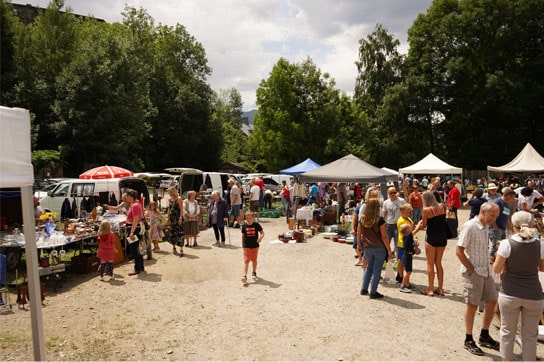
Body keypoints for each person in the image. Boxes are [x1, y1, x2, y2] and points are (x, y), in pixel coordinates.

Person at [493, 211, 544, 361]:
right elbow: (542, 268)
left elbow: (496, 269)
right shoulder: (540, 245)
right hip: (533, 294)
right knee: (530, 334)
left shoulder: (506, 244)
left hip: (510, 292)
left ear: (513, 225)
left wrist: (505, 267)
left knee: (507, 331)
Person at [455, 202, 500, 356]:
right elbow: (459, 250)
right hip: (474, 271)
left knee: (492, 300)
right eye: (492, 215)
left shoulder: (485, 226)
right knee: (472, 305)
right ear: (483, 211)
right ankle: (468, 339)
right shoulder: (470, 226)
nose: (494, 219)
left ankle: (484, 334)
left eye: (496, 216)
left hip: (485, 270)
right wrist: (471, 269)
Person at [413, 190, 448, 297]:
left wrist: (417, 226)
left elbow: (424, 225)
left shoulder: (426, 210)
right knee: (439, 263)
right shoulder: (442, 206)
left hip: (432, 237)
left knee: (430, 263)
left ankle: (431, 289)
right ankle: (440, 289)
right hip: (442, 237)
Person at [357, 199, 392, 299]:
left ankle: (364, 288)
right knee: (377, 269)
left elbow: (359, 233)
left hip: (367, 246)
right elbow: (384, 236)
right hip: (379, 247)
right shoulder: (380, 220)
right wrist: (389, 249)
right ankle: (373, 291)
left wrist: (359, 245)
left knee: (369, 268)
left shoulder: (363, 219)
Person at [120, 189, 145, 276]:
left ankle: (137, 268)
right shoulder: (135, 204)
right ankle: (140, 266)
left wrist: (132, 232)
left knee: (134, 249)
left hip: (134, 228)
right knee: (138, 248)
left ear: (130, 196)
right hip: (135, 227)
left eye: (126, 197)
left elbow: (135, 219)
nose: (125, 199)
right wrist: (124, 222)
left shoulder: (135, 205)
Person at [489, 187, 517, 261]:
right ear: (508, 196)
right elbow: (491, 215)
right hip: (496, 228)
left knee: (502, 247)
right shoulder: (497, 202)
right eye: (513, 197)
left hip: (502, 228)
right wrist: (495, 227)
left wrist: (512, 228)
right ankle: (493, 261)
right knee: (495, 247)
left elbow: (506, 218)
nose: (514, 199)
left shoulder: (507, 205)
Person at [240, 211, 264, 284]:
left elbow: (262, 232)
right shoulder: (244, 226)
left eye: (250, 218)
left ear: (253, 218)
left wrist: (260, 238)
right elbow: (243, 235)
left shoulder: (256, 225)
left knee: (254, 260)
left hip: (255, 246)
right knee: (246, 260)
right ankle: (244, 276)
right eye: (247, 218)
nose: (248, 219)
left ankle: (254, 272)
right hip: (246, 246)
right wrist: (243, 244)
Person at [382, 187, 404, 259]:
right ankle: (387, 258)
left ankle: (397, 260)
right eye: (391, 193)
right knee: (386, 243)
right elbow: (385, 213)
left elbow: (406, 211)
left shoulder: (401, 201)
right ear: (388, 193)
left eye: (394, 192)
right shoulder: (385, 202)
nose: (393, 194)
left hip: (398, 225)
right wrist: (383, 223)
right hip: (388, 225)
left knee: (397, 244)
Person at [396, 203, 414, 285]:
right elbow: (408, 231)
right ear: (402, 212)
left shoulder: (408, 218)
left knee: (405, 261)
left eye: (409, 212)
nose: (409, 214)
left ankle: (404, 278)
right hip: (402, 243)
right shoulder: (401, 220)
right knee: (401, 260)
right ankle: (401, 276)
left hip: (407, 242)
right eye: (407, 212)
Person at [399, 223, 418, 293]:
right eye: (410, 228)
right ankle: (403, 285)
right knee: (408, 271)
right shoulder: (408, 235)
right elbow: (413, 232)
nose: (411, 229)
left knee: (407, 271)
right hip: (407, 256)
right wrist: (418, 226)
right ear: (407, 230)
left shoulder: (407, 237)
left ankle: (407, 284)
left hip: (408, 255)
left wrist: (415, 247)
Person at [166, 187, 184, 256]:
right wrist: (168, 218)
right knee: (173, 233)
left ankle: (181, 249)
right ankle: (174, 248)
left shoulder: (179, 199)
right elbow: (169, 209)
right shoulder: (170, 199)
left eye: (169, 192)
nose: (168, 193)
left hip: (177, 218)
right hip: (172, 218)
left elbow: (181, 209)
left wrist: (180, 218)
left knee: (179, 233)